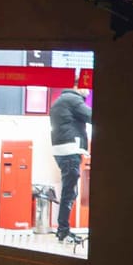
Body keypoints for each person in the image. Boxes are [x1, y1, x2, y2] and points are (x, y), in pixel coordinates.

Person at [48, 80, 91, 243]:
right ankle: (63, 231)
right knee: (69, 192)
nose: (87, 90)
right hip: (69, 150)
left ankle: (63, 229)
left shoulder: (60, 100)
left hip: (61, 151)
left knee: (69, 191)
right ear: (76, 86)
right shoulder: (73, 100)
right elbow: (91, 115)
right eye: (85, 86)